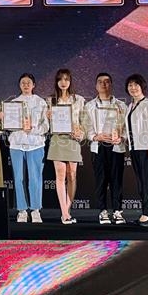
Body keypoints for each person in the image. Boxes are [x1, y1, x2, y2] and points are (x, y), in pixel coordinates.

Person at [84, 73, 128, 225]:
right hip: (98, 147)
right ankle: (102, 211)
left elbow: (126, 128)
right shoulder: (89, 106)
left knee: (117, 180)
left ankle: (117, 211)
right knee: (101, 180)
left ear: (111, 84)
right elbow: (87, 127)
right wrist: (95, 137)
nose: (104, 84)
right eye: (100, 82)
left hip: (116, 147)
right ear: (96, 85)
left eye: (107, 82)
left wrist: (121, 138)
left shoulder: (121, 105)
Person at [5, 73, 49, 224]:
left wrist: (33, 130)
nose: (25, 85)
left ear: (33, 85)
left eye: (28, 82)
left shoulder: (41, 102)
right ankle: (22, 210)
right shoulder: (13, 103)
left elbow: (46, 126)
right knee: (19, 178)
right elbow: (8, 127)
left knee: (35, 178)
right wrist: (5, 120)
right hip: (17, 145)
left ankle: (35, 210)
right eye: (23, 82)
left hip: (35, 144)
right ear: (19, 85)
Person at [45, 69, 86, 224]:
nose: (63, 82)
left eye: (66, 79)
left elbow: (84, 122)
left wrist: (80, 133)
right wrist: (47, 117)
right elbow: (45, 126)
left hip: (73, 140)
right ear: (56, 82)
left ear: (70, 81)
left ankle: (67, 211)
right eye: (60, 79)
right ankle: (64, 213)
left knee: (72, 175)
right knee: (60, 176)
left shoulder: (79, 100)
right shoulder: (50, 100)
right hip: (58, 140)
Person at [125, 73, 148, 227]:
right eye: (130, 85)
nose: (133, 88)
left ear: (142, 86)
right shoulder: (130, 106)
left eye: (136, 85)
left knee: (147, 182)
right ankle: (144, 213)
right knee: (141, 182)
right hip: (134, 148)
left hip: (146, 148)